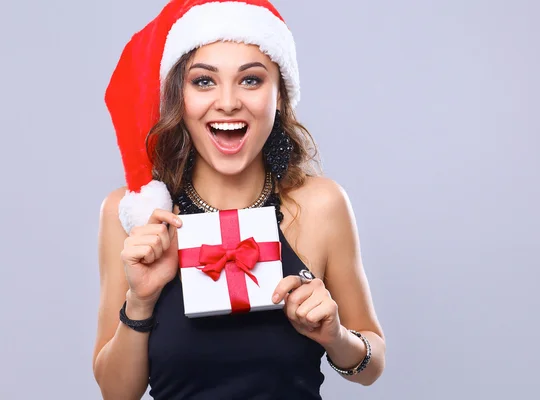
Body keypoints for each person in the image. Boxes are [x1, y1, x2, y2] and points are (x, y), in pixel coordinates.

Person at [92, 1, 385, 399]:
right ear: (179, 95)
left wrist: (336, 336)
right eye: (204, 81)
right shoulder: (133, 215)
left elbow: (370, 366)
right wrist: (140, 301)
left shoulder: (322, 205)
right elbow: (115, 393)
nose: (228, 102)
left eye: (250, 80)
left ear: (280, 95)